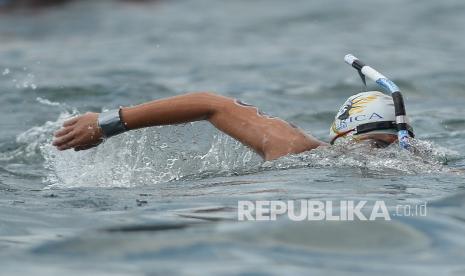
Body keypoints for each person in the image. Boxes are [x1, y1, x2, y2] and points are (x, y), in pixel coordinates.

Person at [52, 91, 414, 161]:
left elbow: (214, 105)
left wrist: (106, 123)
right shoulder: (297, 150)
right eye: (380, 144)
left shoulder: (299, 150)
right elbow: (212, 105)